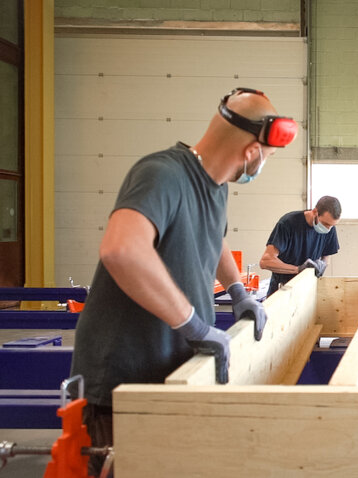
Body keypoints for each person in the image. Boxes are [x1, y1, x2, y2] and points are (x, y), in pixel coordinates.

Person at [70, 87, 297, 476]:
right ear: (250, 152)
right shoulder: (163, 174)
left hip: (173, 372)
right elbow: (121, 250)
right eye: (269, 156)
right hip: (124, 380)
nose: (265, 164)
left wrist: (237, 289)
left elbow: (215, 237)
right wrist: (191, 322)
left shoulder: (218, 186)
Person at [260, 195, 341, 296]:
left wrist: (321, 266)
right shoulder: (288, 223)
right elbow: (265, 261)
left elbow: (326, 257)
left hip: (306, 288)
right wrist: (298, 269)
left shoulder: (330, 228)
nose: (328, 228)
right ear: (315, 212)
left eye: (331, 225)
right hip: (282, 289)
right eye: (325, 224)